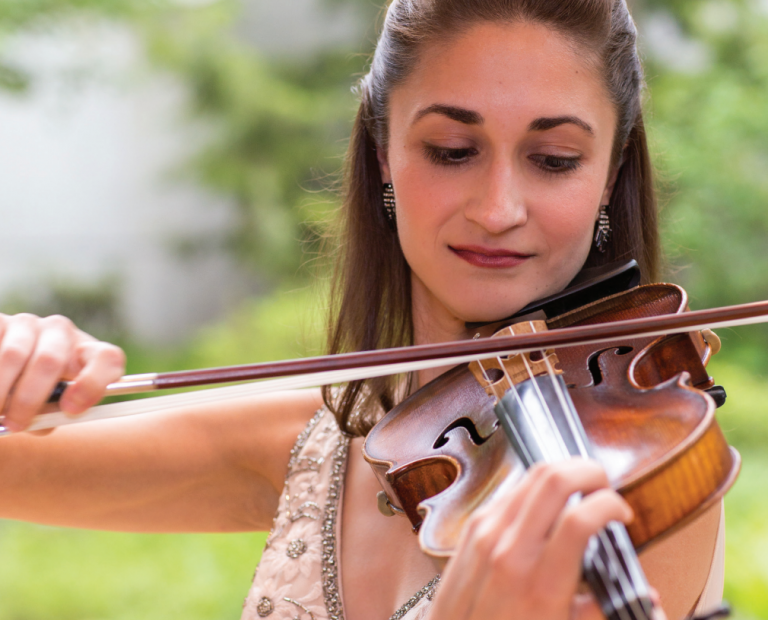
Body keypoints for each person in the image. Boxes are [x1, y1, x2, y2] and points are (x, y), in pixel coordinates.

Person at [0, 1, 725, 619]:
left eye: (555, 159)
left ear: (609, 176)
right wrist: (21, 363)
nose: (498, 209)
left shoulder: (635, 477)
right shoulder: (318, 441)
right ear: (383, 153)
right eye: (452, 150)